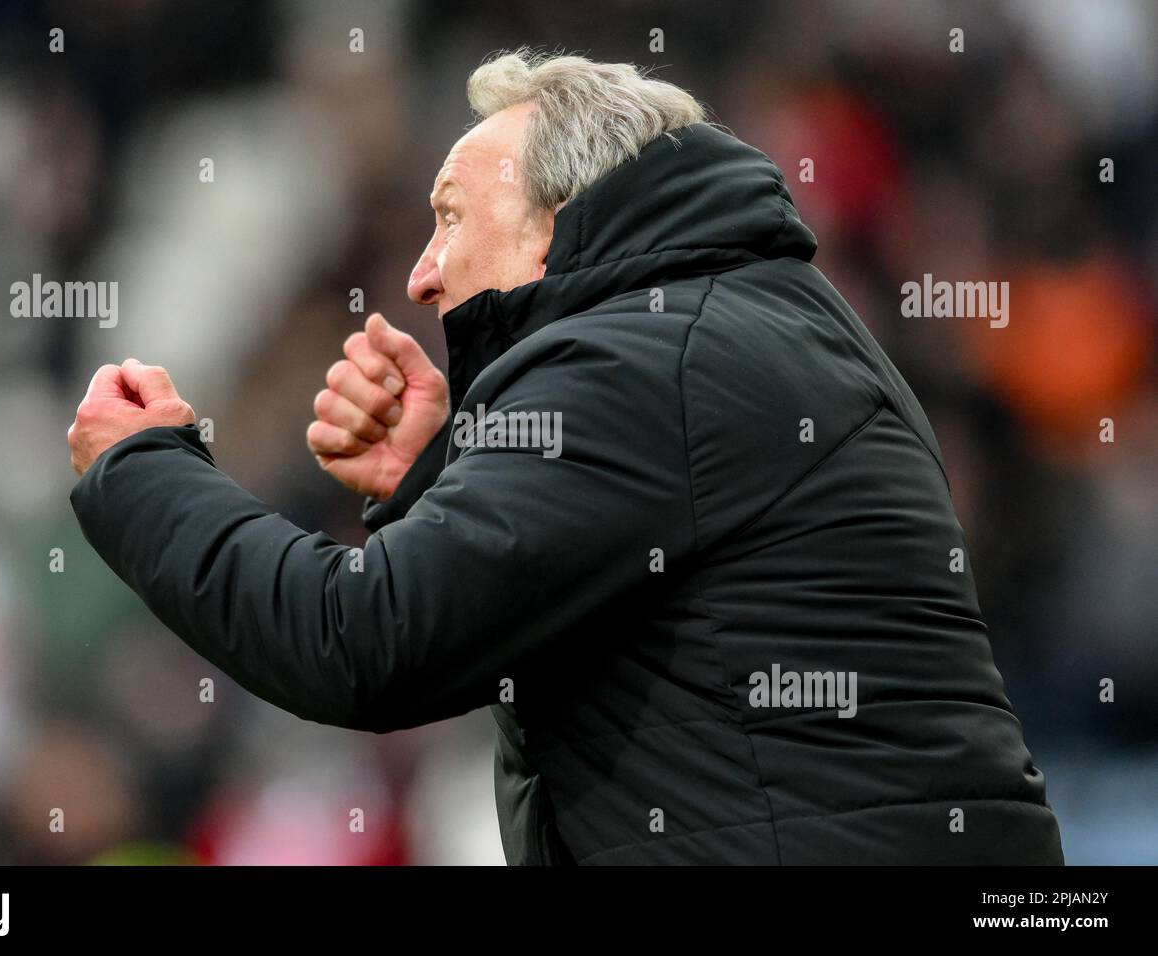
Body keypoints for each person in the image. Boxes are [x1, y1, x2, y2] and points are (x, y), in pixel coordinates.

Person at [68, 50, 1065, 865]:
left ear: (561, 220)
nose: (420, 273)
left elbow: (362, 643)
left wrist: (143, 469)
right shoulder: (744, 326)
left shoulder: (642, 357)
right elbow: (621, 605)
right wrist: (441, 477)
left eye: (451, 214)